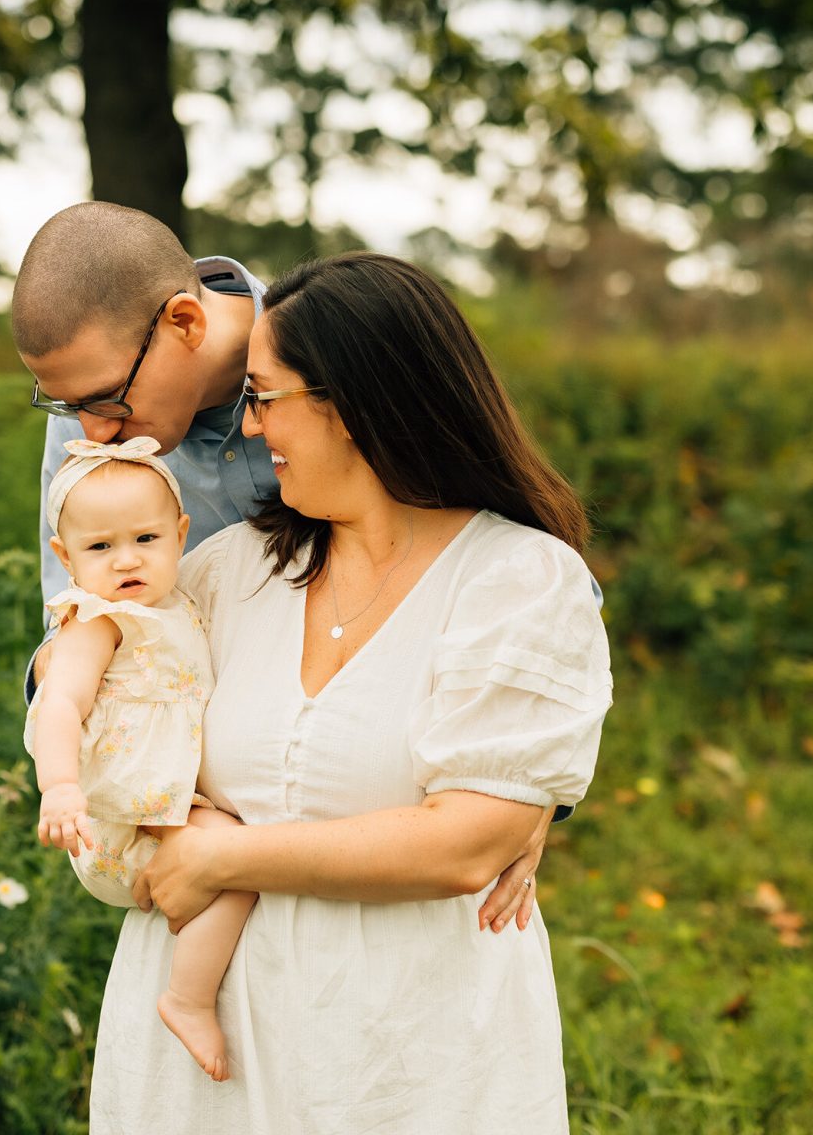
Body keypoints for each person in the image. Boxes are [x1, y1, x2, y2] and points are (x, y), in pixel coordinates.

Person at [92, 252, 613, 1131]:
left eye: (263, 398)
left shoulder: (517, 580)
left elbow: (466, 844)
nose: (251, 432)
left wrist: (222, 854)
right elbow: (108, 751)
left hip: (410, 1067)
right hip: (200, 1079)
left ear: (355, 403)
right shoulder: (221, 576)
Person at [11, 203, 556, 929]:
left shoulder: (343, 343)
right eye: (67, 405)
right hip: (208, 822)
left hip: (382, 812)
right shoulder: (96, 427)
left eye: (107, 399)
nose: (94, 433)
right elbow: (73, 621)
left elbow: (497, 556)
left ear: (184, 322)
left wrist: (524, 792)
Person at [23, 436, 256, 1082]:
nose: (126, 560)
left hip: (163, 796)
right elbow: (61, 704)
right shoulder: (96, 620)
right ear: (65, 558)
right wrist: (60, 787)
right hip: (120, 815)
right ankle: (187, 999)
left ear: (181, 534)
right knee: (237, 862)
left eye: (145, 540)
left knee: (237, 856)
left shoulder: (181, 604)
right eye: (100, 548)